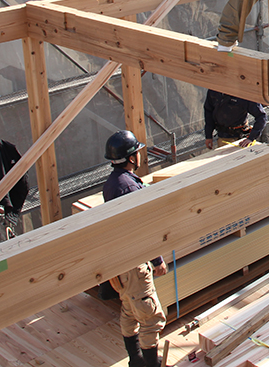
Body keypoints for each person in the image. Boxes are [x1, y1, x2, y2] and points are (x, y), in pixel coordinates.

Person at [103, 131, 167, 367]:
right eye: (137, 152)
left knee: (130, 310)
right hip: (134, 262)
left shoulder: (112, 184)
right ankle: (150, 364)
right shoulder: (128, 187)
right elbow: (141, 229)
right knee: (151, 318)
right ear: (131, 158)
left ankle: (136, 361)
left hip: (119, 263)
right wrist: (157, 260)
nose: (140, 155)